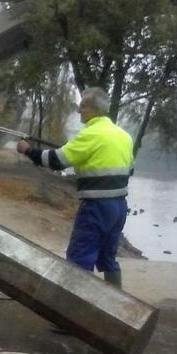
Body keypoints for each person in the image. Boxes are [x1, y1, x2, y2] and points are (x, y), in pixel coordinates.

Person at [16, 87, 133, 289]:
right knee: (108, 259)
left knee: (79, 260)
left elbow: (55, 161)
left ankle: (75, 311)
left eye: (83, 106)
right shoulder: (123, 136)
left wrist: (27, 150)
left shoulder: (90, 134)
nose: (79, 111)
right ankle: (118, 310)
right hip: (119, 208)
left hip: (96, 208)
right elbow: (129, 170)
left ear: (95, 109)